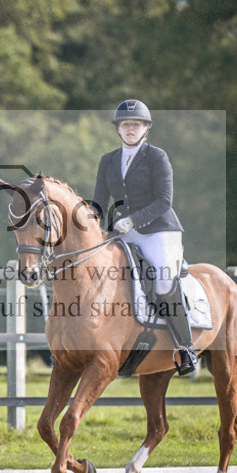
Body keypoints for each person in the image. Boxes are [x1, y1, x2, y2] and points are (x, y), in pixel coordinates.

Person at [91, 99, 198, 376]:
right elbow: (99, 204)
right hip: (123, 234)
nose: (130, 129)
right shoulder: (108, 161)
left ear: (145, 128)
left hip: (159, 231)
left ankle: (186, 348)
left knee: (163, 280)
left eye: (135, 124)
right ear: (118, 129)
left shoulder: (157, 157)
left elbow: (164, 200)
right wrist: (83, 220)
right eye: (125, 124)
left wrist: (134, 220)